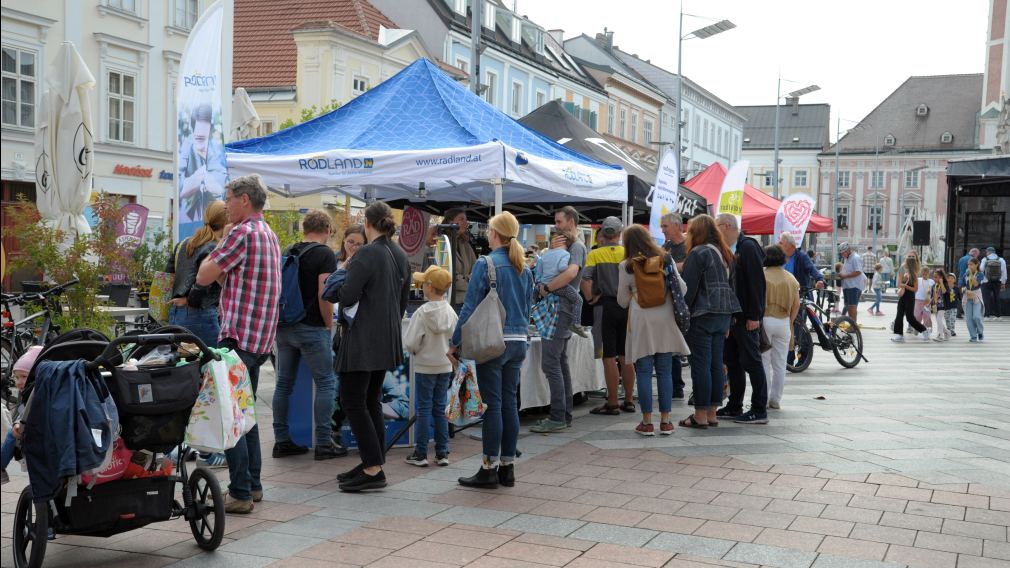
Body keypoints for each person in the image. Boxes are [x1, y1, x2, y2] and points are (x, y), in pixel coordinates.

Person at [196, 174, 281, 514]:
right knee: (246, 416)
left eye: (229, 198)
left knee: (231, 416)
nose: (226, 204)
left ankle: (241, 491)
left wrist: (221, 244)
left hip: (238, 339)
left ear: (244, 199)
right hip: (260, 340)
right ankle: (254, 485)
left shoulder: (242, 233)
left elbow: (204, 276)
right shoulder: (268, 233)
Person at [329, 202, 410, 492]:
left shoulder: (366, 254)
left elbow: (347, 295)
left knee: (353, 400)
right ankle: (371, 463)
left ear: (367, 222)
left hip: (363, 339)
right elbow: (403, 301)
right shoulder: (399, 253)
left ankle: (373, 467)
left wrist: (338, 282)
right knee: (371, 399)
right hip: (387, 337)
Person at [449, 212, 534, 488]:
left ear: (494, 233)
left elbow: (470, 307)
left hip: (494, 342)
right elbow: (529, 306)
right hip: (519, 341)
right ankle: (507, 467)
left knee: (494, 406)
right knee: (510, 404)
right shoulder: (525, 267)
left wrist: (455, 341)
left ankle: (488, 467)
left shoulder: (486, 264)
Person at [271, 211, 344, 461]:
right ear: (327, 229)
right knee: (326, 382)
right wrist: (328, 325)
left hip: (284, 325)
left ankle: (281, 440)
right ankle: (324, 443)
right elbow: (325, 291)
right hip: (311, 326)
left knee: (283, 383)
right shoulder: (324, 253)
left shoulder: (289, 249)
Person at [166, 200, 228, 469]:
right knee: (212, 380)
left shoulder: (184, 244)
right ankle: (213, 449)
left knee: (184, 379)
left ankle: (182, 445)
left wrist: (179, 300)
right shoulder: (214, 247)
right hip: (201, 316)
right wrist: (191, 300)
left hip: (177, 317)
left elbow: (167, 275)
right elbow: (203, 285)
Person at [617, 224, 689, 436]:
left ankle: (647, 422)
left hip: (642, 321)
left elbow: (621, 301)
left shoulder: (626, 266)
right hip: (665, 318)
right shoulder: (666, 259)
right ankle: (666, 422)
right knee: (665, 371)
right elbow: (682, 289)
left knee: (645, 372)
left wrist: (634, 292)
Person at [680, 215, 740, 429]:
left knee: (701, 365)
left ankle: (700, 414)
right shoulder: (726, 254)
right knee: (716, 364)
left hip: (702, 315)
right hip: (723, 315)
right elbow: (732, 287)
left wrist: (681, 314)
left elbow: (688, 289)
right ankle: (713, 412)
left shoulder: (698, 253)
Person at [535, 206, 587, 432]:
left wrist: (546, 288)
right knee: (559, 362)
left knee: (550, 363)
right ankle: (563, 414)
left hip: (560, 308)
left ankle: (557, 416)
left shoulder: (576, 247)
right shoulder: (571, 246)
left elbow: (570, 273)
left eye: (559, 222)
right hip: (561, 309)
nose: (556, 226)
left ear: (571, 222)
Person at [715, 214, 768, 425]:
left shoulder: (748, 247)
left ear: (727, 226)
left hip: (747, 316)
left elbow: (757, 284)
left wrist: (755, 315)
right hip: (733, 316)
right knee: (733, 361)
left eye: (717, 227)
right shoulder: (729, 248)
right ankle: (735, 404)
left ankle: (759, 408)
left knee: (752, 362)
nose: (716, 232)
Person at [580, 216, 636, 418]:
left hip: (605, 307)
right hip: (628, 308)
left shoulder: (595, 254)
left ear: (603, 233)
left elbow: (585, 280)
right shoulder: (629, 253)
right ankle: (628, 400)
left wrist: (591, 298)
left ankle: (612, 402)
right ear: (620, 233)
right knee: (627, 356)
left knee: (609, 357)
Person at [403, 266, 457, 467]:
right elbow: (456, 337)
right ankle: (442, 453)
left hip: (425, 366)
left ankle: (421, 453)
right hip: (445, 366)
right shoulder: (450, 311)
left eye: (424, 283)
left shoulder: (422, 312)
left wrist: (415, 351)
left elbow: (410, 342)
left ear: (429, 287)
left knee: (424, 409)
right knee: (440, 408)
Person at [330, 225, 366, 450]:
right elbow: (328, 292)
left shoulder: (365, 265)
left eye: (359, 243)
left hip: (357, 332)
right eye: (350, 241)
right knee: (337, 384)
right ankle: (334, 429)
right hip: (338, 332)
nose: (353, 246)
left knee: (353, 388)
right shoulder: (336, 264)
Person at [761, 246, 800, 410]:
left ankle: (762, 397)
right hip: (783, 321)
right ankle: (775, 399)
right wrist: (789, 321)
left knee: (764, 361)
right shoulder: (791, 278)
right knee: (780, 363)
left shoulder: (761, 275)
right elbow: (796, 304)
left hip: (765, 320)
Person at [1, 346, 42, 485]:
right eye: (16, 377)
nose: (18, 382)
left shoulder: (36, 391)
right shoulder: (30, 391)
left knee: (12, 435)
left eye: (24, 377)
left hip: (34, 432)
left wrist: (19, 424)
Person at [179, 103, 227, 223]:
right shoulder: (185, 148)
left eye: (207, 138)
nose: (204, 146)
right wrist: (201, 175)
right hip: (187, 222)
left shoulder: (217, 151)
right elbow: (180, 189)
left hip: (214, 222)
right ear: (192, 132)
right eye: (199, 139)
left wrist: (194, 181)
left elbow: (220, 187)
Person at [533, 230, 585, 339]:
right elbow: (562, 268)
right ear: (568, 244)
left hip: (543, 284)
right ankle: (575, 323)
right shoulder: (566, 254)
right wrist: (568, 269)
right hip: (557, 286)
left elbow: (539, 270)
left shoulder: (545, 254)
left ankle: (532, 313)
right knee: (578, 300)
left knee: (535, 299)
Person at [660, 213, 689, 398]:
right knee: (672, 345)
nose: (662, 230)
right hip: (671, 300)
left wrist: (672, 266)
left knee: (689, 345)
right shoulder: (666, 247)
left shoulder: (689, 244)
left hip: (688, 300)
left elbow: (689, 264)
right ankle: (676, 386)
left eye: (665, 226)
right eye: (662, 226)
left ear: (678, 226)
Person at [442, 208, 477, 310]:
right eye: (461, 219)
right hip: (450, 300)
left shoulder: (465, 244)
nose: (465, 223)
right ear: (450, 222)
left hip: (466, 300)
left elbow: (476, 268)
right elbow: (447, 273)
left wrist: (467, 280)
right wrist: (468, 283)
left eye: (466, 220)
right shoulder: (443, 242)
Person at [890, 252, 928, 342]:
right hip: (903, 295)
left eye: (912, 257)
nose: (910, 258)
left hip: (910, 296)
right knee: (899, 314)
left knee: (909, 317)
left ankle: (924, 330)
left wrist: (905, 285)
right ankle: (899, 335)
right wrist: (904, 281)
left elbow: (915, 289)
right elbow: (899, 284)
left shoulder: (914, 274)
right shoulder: (903, 270)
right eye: (909, 257)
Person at [837, 242, 865, 323]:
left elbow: (858, 272)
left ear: (849, 250)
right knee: (848, 306)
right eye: (841, 253)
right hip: (847, 286)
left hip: (854, 286)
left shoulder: (855, 258)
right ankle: (852, 325)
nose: (842, 255)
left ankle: (853, 326)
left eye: (843, 253)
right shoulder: (847, 258)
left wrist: (845, 276)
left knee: (852, 307)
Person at [961, 257, 985, 342]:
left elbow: (975, 284)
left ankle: (980, 332)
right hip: (967, 297)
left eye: (971, 264)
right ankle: (973, 336)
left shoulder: (980, 274)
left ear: (976, 265)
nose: (969, 266)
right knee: (969, 318)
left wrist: (971, 274)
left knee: (976, 317)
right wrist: (964, 290)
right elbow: (962, 285)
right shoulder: (965, 274)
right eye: (968, 264)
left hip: (976, 296)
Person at [980, 246, 1007, 320]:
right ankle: (998, 316)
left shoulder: (985, 259)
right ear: (994, 252)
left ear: (988, 252)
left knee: (986, 298)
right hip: (997, 281)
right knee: (997, 298)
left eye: (986, 252)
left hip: (986, 281)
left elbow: (981, 269)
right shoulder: (1001, 260)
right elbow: (1004, 272)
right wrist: (1003, 282)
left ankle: (986, 316)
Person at [930, 268, 951, 342]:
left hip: (943, 305)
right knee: (938, 320)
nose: (934, 278)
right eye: (934, 277)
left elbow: (945, 292)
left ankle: (940, 335)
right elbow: (932, 296)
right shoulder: (934, 286)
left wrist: (941, 282)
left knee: (939, 319)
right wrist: (929, 303)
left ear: (941, 277)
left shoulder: (944, 284)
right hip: (936, 305)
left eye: (936, 277)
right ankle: (947, 332)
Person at [914, 266, 933, 337]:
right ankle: (916, 328)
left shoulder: (931, 281)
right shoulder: (918, 280)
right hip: (918, 300)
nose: (925, 275)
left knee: (927, 316)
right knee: (917, 315)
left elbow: (933, 290)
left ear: (929, 273)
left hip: (927, 301)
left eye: (926, 274)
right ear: (921, 273)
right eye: (923, 274)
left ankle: (927, 329)